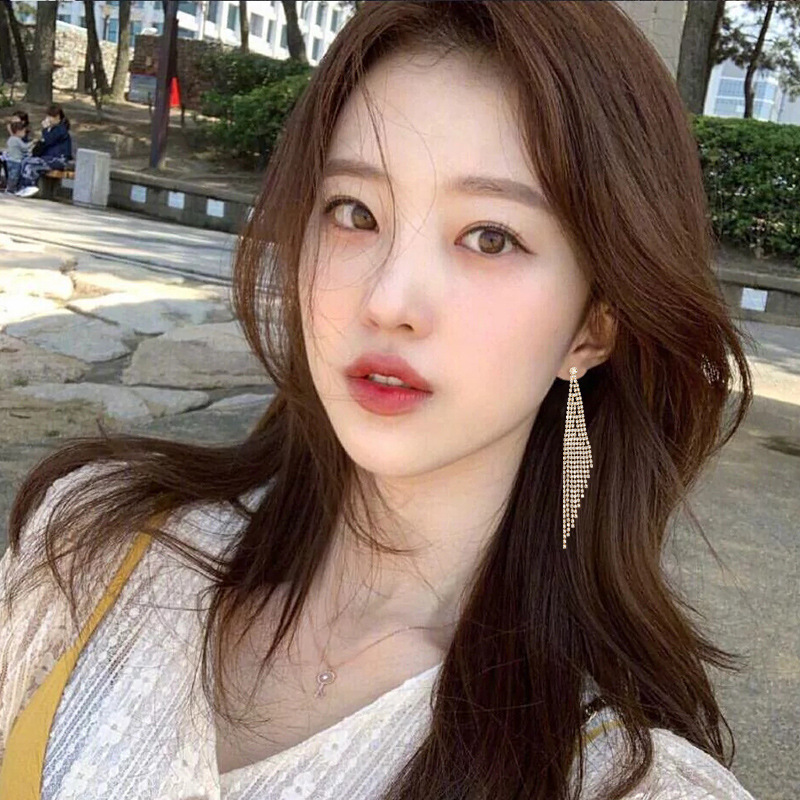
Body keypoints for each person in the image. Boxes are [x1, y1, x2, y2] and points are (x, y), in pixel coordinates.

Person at [0, 3, 759, 799]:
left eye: (491, 237)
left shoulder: (622, 780)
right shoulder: (90, 545)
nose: (389, 300)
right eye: (354, 212)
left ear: (593, 327)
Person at [14, 104, 73, 198]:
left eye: (51, 116)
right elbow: (43, 145)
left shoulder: (61, 130)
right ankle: (23, 187)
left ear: (58, 117)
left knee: (30, 164)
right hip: (48, 158)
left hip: (59, 160)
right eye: (48, 116)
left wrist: (45, 129)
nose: (49, 119)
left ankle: (30, 185)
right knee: (25, 161)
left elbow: (49, 140)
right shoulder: (51, 130)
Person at [0, 110, 31, 190]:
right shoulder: (17, 131)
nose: (13, 120)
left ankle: (11, 186)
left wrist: (11, 131)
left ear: (23, 121)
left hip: (19, 157)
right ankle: (6, 182)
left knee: (13, 174)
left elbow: (20, 143)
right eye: (13, 118)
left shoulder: (23, 132)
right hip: (13, 156)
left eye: (16, 118)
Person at [2, 120, 35, 193]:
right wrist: (32, 143)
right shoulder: (17, 140)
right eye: (23, 131)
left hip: (9, 160)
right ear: (18, 132)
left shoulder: (10, 139)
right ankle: (11, 189)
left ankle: (10, 187)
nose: (24, 133)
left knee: (11, 175)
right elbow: (24, 147)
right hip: (16, 161)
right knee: (15, 176)